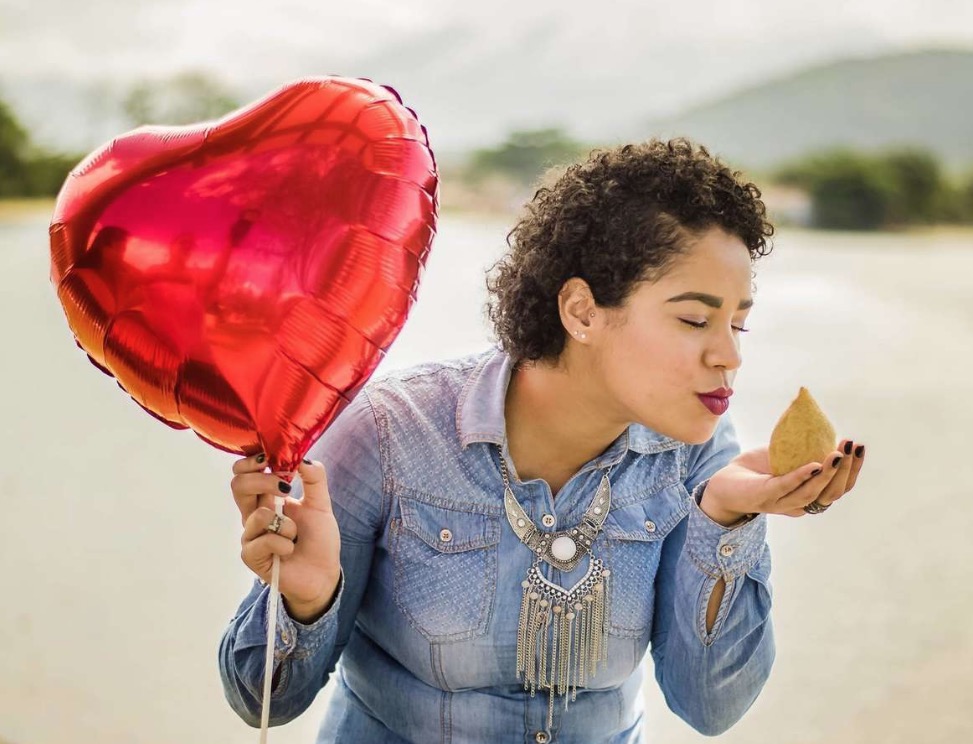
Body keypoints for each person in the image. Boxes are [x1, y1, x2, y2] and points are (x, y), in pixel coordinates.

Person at [219, 138, 867, 743]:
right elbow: (260, 700)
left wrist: (726, 520)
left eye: (738, 325)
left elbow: (712, 708)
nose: (728, 355)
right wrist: (305, 598)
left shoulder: (697, 451)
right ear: (580, 311)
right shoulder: (391, 432)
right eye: (694, 319)